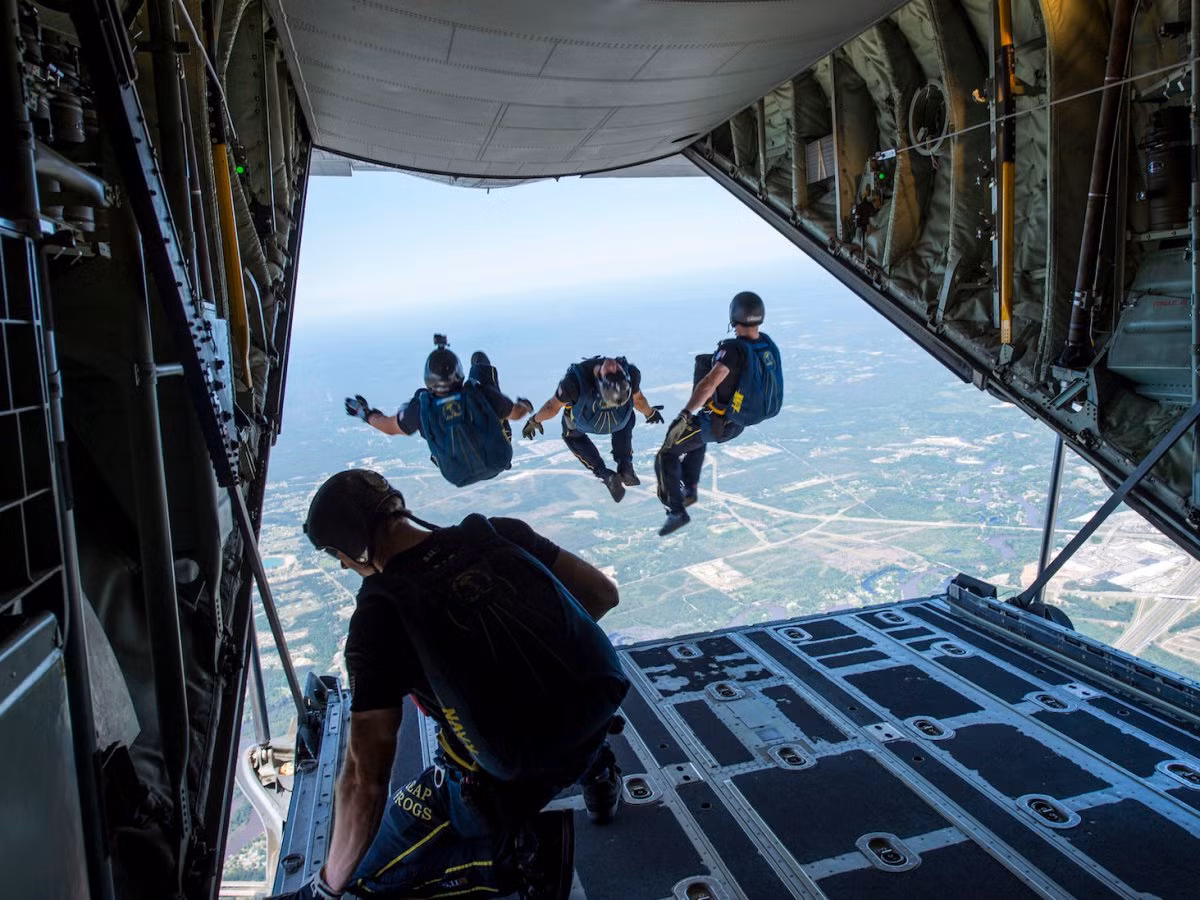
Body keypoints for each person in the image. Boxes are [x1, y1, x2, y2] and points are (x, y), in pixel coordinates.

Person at [272, 469, 629, 900]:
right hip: (591, 720)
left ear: (350, 549)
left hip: (500, 785)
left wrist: (327, 887)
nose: (346, 566)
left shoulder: (380, 616)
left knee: (366, 876)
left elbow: (366, 778)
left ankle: (521, 855)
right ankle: (600, 768)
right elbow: (601, 594)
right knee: (558, 716)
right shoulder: (498, 534)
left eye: (339, 557)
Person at [654, 291, 784, 537]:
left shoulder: (733, 351)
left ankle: (676, 511)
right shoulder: (764, 345)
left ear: (734, 317)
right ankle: (690, 490)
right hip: (735, 422)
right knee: (694, 439)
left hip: (717, 423)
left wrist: (684, 414)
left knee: (667, 452)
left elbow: (709, 383)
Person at [345, 335, 534, 487]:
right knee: (480, 366)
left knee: (420, 399)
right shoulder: (481, 393)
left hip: (457, 475)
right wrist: (525, 405)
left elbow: (388, 426)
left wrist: (364, 413)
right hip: (499, 460)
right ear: (459, 373)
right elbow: (516, 414)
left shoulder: (420, 407)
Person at [522, 356, 664, 502]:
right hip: (619, 421)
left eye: (611, 373)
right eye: (617, 372)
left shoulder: (574, 382)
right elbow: (639, 400)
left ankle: (605, 474)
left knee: (572, 435)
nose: (614, 366)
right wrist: (650, 413)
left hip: (584, 423)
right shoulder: (631, 374)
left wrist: (534, 420)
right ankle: (625, 465)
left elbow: (551, 408)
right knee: (628, 413)